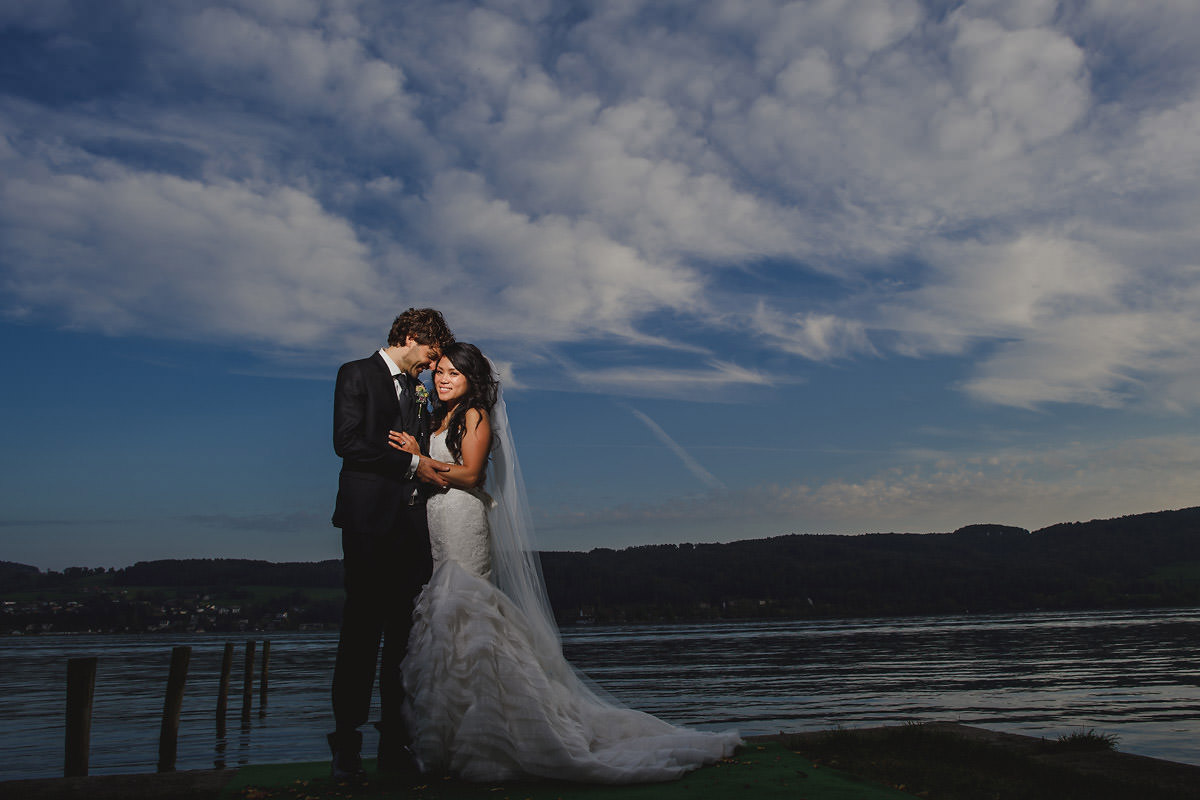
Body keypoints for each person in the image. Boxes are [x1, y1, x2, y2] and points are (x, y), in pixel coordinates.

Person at [390, 342, 741, 783]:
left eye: (453, 374)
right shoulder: (440, 416)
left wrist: (418, 459)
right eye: (439, 371)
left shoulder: (475, 415)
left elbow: (473, 475)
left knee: (468, 616)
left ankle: (499, 737)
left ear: (470, 380)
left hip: (463, 518)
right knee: (447, 626)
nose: (442, 379)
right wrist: (417, 449)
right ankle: (454, 740)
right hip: (438, 520)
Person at [328, 307, 455, 780]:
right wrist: (411, 466)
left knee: (404, 633)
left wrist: (423, 459)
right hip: (367, 522)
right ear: (408, 336)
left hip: (412, 526)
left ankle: (396, 742)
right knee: (361, 629)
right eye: (429, 354)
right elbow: (347, 443)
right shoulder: (356, 374)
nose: (429, 366)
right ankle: (346, 742)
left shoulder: (420, 390)